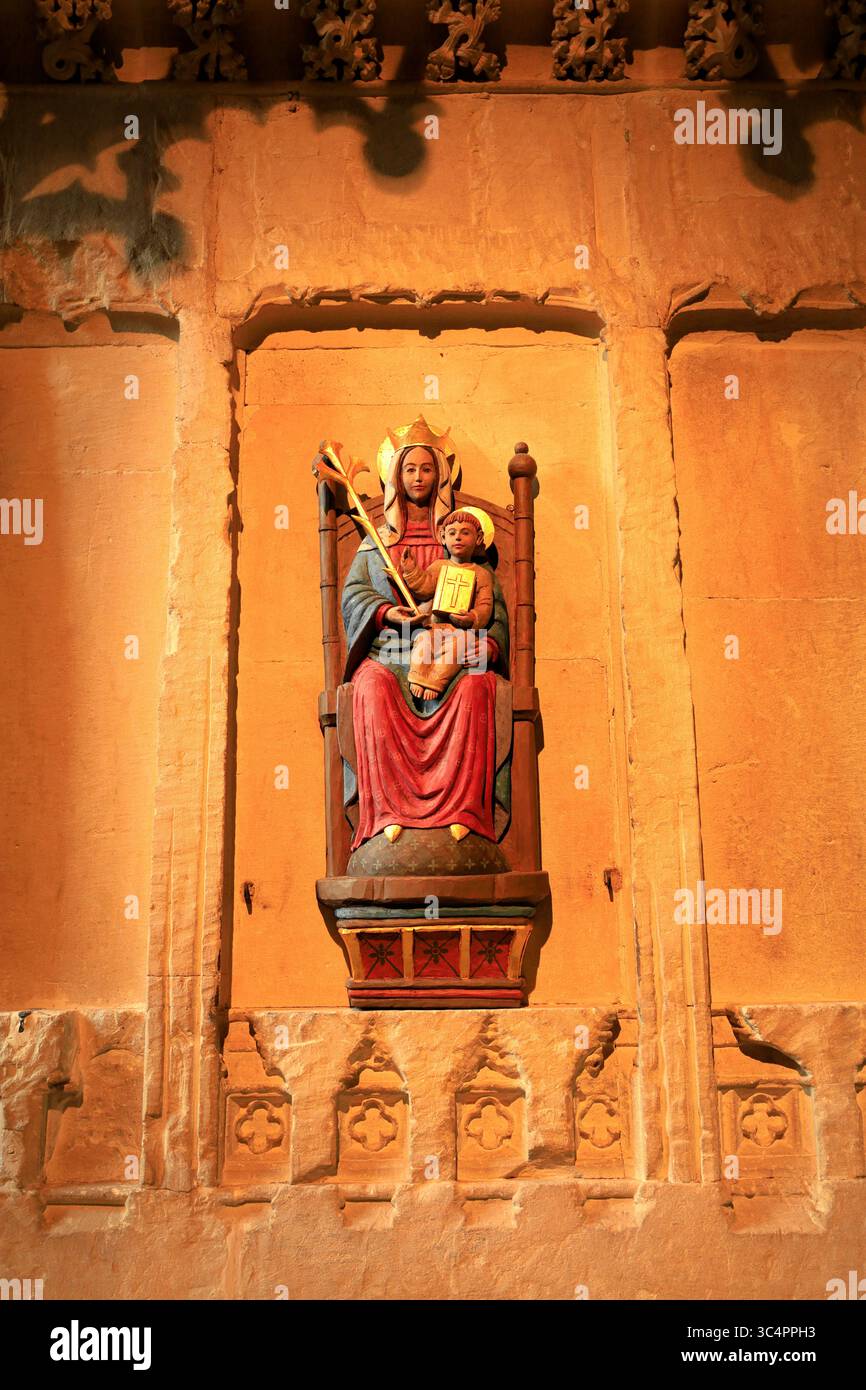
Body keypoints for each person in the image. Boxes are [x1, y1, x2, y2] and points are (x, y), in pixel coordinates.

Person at [340, 430, 510, 851]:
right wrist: (387, 612)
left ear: (441, 477)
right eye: (410, 469)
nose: (418, 477)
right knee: (371, 686)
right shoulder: (378, 541)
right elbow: (354, 595)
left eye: (427, 469)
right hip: (389, 648)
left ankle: (464, 814)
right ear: (396, 477)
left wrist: (486, 643)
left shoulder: (459, 537)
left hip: (456, 645)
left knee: (477, 686)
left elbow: (492, 607)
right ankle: (386, 816)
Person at [398, 509, 495, 700]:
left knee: (459, 648)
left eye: (465, 533)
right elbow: (424, 587)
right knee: (424, 640)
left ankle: (436, 680)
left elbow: (485, 605)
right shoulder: (439, 566)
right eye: (452, 533)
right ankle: (417, 676)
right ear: (443, 538)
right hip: (435, 626)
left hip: (461, 631)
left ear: (478, 538)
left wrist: (472, 618)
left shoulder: (482, 575)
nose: (458, 537)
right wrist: (411, 570)